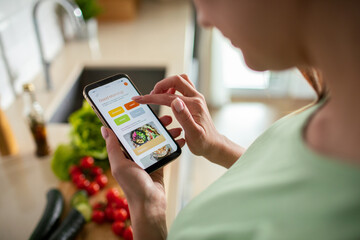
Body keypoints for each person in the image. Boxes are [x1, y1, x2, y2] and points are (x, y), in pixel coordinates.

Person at [100, 0, 360, 239]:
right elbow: (294, 187)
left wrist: (148, 212)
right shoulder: (336, 103)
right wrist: (218, 146)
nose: (203, 18)